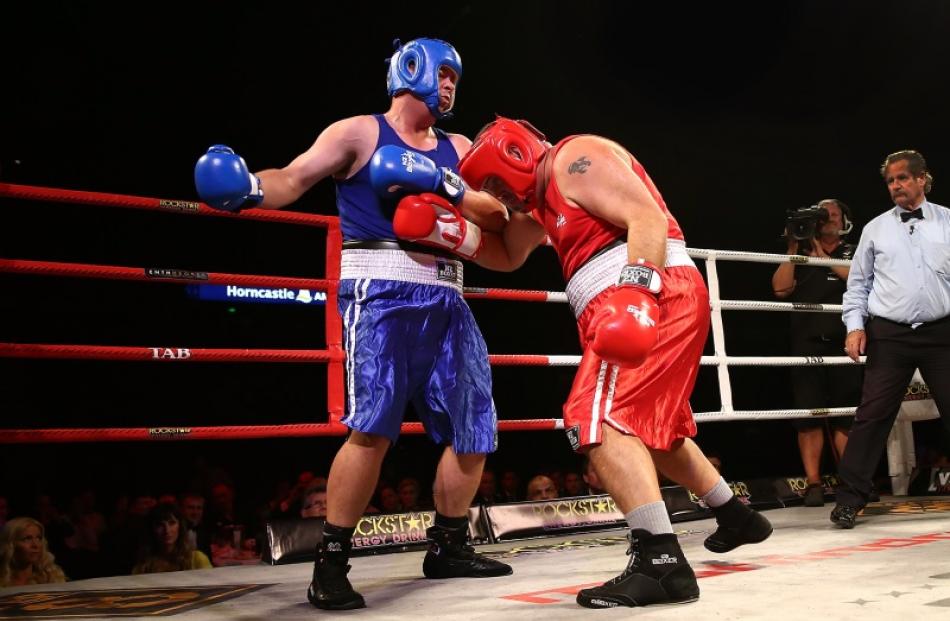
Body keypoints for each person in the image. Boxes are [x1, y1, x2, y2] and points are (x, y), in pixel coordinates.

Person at [193, 38, 511, 610]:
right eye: (442, 74)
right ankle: (331, 564)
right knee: (373, 428)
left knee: (475, 423)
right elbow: (293, 177)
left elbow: (496, 216)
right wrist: (251, 189)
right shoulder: (358, 133)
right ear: (410, 69)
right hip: (380, 288)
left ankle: (449, 546)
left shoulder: (460, 148)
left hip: (448, 292)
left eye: (455, 79)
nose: (449, 87)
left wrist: (447, 185)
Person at [446, 117, 773, 609]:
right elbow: (508, 254)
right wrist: (445, 230)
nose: (498, 196)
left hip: (646, 290)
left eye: (493, 182)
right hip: (635, 298)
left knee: (596, 417)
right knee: (649, 428)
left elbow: (647, 218)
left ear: (513, 154)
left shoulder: (574, 159)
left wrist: (636, 292)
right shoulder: (542, 203)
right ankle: (735, 515)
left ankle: (661, 561)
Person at [833, 150, 950, 528]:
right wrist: (854, 326)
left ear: (921, 179)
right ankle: (850, 499)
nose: (896, 186)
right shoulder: (875, 228)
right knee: (872, 415)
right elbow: (858, 284)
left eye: (902, 178)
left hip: (942, 331)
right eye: (890, 181)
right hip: (890, 333)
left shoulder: (948, 222)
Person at [772, 199, 862, 506]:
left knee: (845, 415)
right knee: (808, 415)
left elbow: (856, 280)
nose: (827, 219)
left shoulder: (853, 251)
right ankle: (813, 483)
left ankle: (850, 481)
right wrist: (793, 248)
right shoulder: (801, 254)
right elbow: (780, 290)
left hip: (844, 342)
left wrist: (823, 256)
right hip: (805, 341)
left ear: (844, 220)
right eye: (822, 216)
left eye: (833, 214)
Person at [132, 503, 212, 574]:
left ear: (180, 526)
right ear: (152, 529)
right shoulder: (144, 564)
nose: (167, 530)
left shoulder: (197, 559)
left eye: (172, 523)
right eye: (160, 525)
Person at [0, 517, 67, 587]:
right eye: (27, 539)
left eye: (39, 538)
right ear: (10, 544)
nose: (35, 545)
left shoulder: (52, 578)